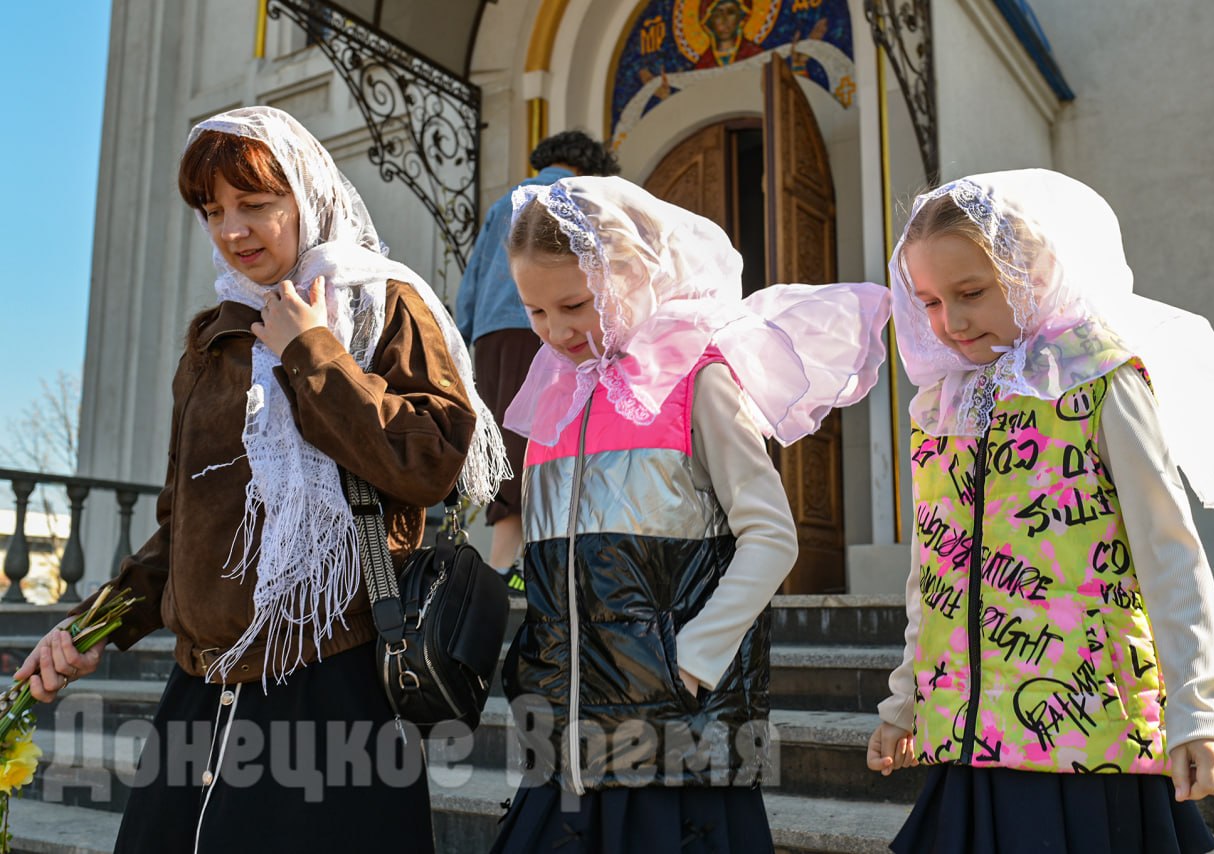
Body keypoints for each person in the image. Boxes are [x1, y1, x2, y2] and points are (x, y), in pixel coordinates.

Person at [15, 106, 508, 853]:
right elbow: (184, 529)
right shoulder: (214, 341)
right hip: (201, 689)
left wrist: (312, 351)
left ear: (306, 197)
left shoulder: (380, 306)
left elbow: (432, 462)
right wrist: (92, 627)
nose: (232, 230)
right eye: (213, 210)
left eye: (254, 203)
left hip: (332, 677)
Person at [869, 169, 1214, 853]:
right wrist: (904, 701)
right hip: (965, 738)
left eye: (971, 292)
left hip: (1085, 735)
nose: (952, 323)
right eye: (931, 302)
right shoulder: (941, 408)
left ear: (1031, 274)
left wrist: (1199, 710)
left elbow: (1168, 550)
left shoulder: (1099, 379)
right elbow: (932, 572)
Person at [490, 176, 892, 852]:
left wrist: (694, 658)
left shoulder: (697, 380)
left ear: (633, 275)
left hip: (677, 736)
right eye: (535, 311)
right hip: (565, 740)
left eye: (575, 305)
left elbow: (771, 535)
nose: (556, 332)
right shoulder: (555, 396)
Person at [454, 130, 620, 583]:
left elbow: (471, 284)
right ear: (588, 167)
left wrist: (462, 341)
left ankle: (504, 559)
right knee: (551, 437)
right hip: (550, 331)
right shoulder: (579, 198)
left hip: (492, 336)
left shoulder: (504, 203)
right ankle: (518, 563)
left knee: (507, 440)